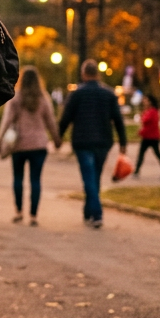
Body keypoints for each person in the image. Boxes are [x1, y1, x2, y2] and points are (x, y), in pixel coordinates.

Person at [58, 59, 128, 229]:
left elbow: (66, 118)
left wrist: (58, 137)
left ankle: (96, 214)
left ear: (83, 74)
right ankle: (88, 211)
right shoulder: (109, 94)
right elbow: (118, 120)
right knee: (94, 177)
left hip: (82, 141)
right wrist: (123, 142)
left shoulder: (76, 94)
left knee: (89, 177)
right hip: (103, 141)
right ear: (97, 73)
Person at [0, 68, 59, 226]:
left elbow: (6, 121)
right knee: (35, 180)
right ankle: (33, 216)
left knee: (18, 178)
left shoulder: (16, 99)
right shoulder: (43, 99)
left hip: (19, 145)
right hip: (39, 145)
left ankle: (18, 212)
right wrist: (56, 138)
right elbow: (50, 121)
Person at [135, 95, 160, 177]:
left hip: (152, 137)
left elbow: (150, 125)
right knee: (142, 154)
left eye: (146, 100)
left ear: (150, 101)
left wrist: (141, 132)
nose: (144, 102)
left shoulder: (153, 112)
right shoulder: (148, 111)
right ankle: (136, 171)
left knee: (156, 153)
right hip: (147, 137)